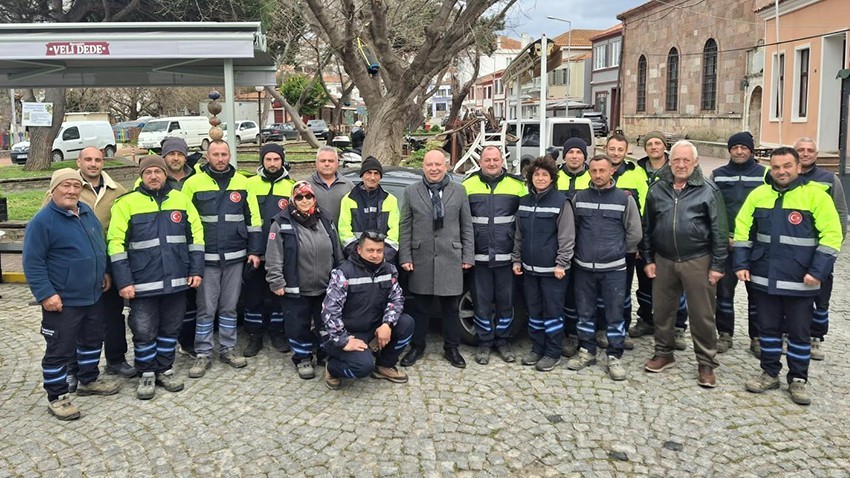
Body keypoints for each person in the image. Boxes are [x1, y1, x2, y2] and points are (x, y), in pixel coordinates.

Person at [736, 147, 842, 405]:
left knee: (798, 333)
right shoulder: (758, 194)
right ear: (770, 169)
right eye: (776, 167)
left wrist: (818, 272)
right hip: (763, 277)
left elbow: (832, 236)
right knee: (768, 330)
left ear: (798, 167)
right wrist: (741, 263)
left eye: (786, 166)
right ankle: (770, 372)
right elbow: (742, 229)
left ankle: (798, 379)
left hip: (801, 279)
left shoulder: (816, 196)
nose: (781, 171)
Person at [23, 169, 121, 420]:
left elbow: (98, 246)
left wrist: (104, 272)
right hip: (62, 300)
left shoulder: (86, 213)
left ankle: (88, 380)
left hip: (92, 294)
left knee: (92, 340)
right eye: (65, 186)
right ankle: (57, 396)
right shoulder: (42, 221)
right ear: (54, 190)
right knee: (59, 348)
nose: (71, 191)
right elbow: (33, 262)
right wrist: (46, 294)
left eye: (76, 186)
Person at [107, 156, 205, 400]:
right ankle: (146, 372)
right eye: (148, 172)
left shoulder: (181, 200)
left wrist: (195, 270)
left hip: (177, 281)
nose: (153, 176)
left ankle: (165, 368)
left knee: (171, 328)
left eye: (158, 172)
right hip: (142, 283)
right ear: (141, 175)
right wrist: (124, 281)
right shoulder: (126, 203)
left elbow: (196, 236)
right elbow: (116, 243)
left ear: (165, 174)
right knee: (143, 329)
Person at [642, 140, 728, 388]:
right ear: (670, 162)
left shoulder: (708, 191)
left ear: (696, 162)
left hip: (697, 260)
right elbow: (648, 227)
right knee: (662, 311)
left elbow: (720, 231)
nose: (681, 165)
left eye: (686, 160)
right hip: (664, 259)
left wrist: (718, 266)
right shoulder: (657, 190)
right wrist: (648, 259)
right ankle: (663, 353)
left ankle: (706, 363)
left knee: (702, 315)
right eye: (676, 160)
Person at [181, 140, 263, 378]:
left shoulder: (243, 183)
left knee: (229, 306)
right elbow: (188, 222)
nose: (220, 158)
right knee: (206, 308)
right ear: (207, 157)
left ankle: (228, 348)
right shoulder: (192, 184)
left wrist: (255, 251)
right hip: (206, 258)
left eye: (224, 154)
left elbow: (253, 219)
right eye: (215, 154)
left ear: (230, 156)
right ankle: (203, 352)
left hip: (236, 257)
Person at [567, 154, 642, 381]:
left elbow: (634, 233)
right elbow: (574, 230)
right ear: (589, 172)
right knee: (585, 312)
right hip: (583, 267)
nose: (598, 175)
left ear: (611, 172)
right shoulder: (579, 198)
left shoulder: (624, 199)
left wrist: (618, 251)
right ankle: (587, 351)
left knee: (614, 314)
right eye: (594, 171)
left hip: (614, 269)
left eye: (603, 171)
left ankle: (614, 355)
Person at [398, 150, 474, 368]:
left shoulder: (459, 191)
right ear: (423, 166)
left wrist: (468, 255)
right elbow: (405, 226)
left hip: (451, 257)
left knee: (450, 308)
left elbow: (466, 226)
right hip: (420, 258)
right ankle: (417, 347)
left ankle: (452, 348)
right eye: (429, 164)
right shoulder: (411, 192)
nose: (434, 169)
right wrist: (405, 255)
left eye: (438, 165)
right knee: (420, 308)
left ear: (446, 166)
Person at [65, 147, 134, 380]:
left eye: (98, 160)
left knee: (113, 315)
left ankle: (116, 359)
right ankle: (74, 367)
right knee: (77, 318)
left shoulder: (118, 191)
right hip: (77, 267)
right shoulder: (67, 188)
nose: (93, 164)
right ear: (79, 161)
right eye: (88, 160)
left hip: (108, 263)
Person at [265, 181, 343, 379]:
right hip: (295, 287)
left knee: (325, 323)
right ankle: (302, 357)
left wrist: (340, 275)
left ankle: (325, 353)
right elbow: (274, 255)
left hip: (325, 286)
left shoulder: (325, 218)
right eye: (299, 197)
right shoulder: (280, 222)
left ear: (314, 198)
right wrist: (276, 281)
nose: (305, 200)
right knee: (297, 324)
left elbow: (336, 248)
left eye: (308, 196)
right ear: (293, 199)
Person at [322, 231, 415, 389]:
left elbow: (397, 299)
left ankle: (384, 365)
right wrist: (344, 341)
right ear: (359, 250)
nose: (375, 255)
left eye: (379, 251)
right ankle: (332, 368)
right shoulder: (343, 273)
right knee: (363, 367)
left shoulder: (389, 270)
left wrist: (387, 324)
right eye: (370, 250)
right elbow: (330, 311)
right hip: (345, 333)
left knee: (407, 323)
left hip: (373, 328)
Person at [463, 145, 526, 365]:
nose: (491, 163)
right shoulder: (467, 186)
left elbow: (524, 222)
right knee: (480, 303)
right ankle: (484, 343)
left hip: (507, 257)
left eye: (495, 159)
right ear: (480, 162)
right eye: (487, 159)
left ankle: (503, 342)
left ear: (502, 161)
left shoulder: (517, 187)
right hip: (478, 258)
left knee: (505, 303)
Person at [512, 156, 575, 372]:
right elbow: (519, 235)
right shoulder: (524, 202)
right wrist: (517, 259)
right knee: (535, 311)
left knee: (553, 312)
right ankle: (537, 348)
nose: (540, 178)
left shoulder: (561, 202)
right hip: (530, 270)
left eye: (544, 175)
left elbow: (567, 236)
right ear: (530, 178)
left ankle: (552, 352)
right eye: (536, 174)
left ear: (552, 178)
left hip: (553, 272)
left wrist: (561, 263)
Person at [709, 132, 767, 355]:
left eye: (744, 147)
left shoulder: (764, 175)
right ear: (729, 150)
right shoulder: (718, 175)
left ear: (751, 150)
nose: (740, 151)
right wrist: (723, 236)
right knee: (723, 293)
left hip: (757, 246)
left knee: (758, 295)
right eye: (735, 148)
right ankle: (725, 333)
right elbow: (712, 208)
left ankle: (758, 337)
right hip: (727, 244)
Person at [629, 132, 689, 344]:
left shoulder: (674, 169)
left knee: (674, 283)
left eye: (658, 143)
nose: (654, 147)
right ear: (645, 148)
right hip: (643, 233)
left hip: (667, 233)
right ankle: (646, 319)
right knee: (644, 281)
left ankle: (678, 326)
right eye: (650, 144)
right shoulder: (636, 169)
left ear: (665, 147)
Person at [794, 137, 848, 361]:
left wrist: (833, 247)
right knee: (794, 293)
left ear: (816, 155)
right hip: (794, 249)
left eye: (810, 151)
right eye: (801, 150)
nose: (805, 154)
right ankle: (792, 332)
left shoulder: (829, 179)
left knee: (821, 296)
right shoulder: (784, 177)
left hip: (820, 250)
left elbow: (840, 213)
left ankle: (816, 337)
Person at [243, 143, 296, 357]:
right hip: (254, 252)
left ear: (282, 160)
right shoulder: (250, 185)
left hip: (281, 254)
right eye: (268, 159)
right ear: (262, 161)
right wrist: (251, 249)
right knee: (253, 296)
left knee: (278, 296)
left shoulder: (292, 187)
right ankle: (254, 335)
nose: (272, 163)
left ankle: (277, 332)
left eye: (276, 159)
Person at [158, 137, 202, 358]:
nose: (175, 158)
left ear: (185, 156)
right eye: (171, 154)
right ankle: (165, 341)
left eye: (179, 154)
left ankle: (188, 341)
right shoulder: (153, 177)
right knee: (166, 297)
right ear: (164, 156)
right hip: (163, 246)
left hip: (191, 242)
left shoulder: (198, 177)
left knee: (190, 297)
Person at [604, 134, 649, 350]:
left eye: (619, 149)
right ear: (606, 149)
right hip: (602, 244)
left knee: (623, 290)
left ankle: (622, 329)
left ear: (626, 151)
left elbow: (644, 210)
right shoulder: (596, 170)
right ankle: (603, 328)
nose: (615, 153)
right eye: (612, 148)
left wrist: (638, 244)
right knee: (601, 291)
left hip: (627, 245)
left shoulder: (636, 174)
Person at [556, 137, 591, 358]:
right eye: (571, 152)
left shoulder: (593, 176)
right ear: (564, 155)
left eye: (579, 152)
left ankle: (590, 332)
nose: (575, 156)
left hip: (587, 244)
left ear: (584, 157)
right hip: (559, 244)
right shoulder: (554, 176)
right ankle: (569, 334)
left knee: (586, 292)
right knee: (566, 292)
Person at [338, 156, 400, 262]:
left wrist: (381, 256)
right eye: (368, 173)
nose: (372, 177)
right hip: (356, 260)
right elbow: (344, 233)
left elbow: (394, 233)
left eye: (376, 173)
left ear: (380, 177)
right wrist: (359, 255)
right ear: (362, 175)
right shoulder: (349, 199)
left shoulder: (390, 200)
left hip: (384, 261)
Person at [306, 146, 354, 225]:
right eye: (323, 161)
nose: (327, 164)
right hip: (315, 234)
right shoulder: (306, 185)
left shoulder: (348, 186)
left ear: (337, 163)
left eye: (331, 161)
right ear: (316, 163)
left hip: (341, 235)